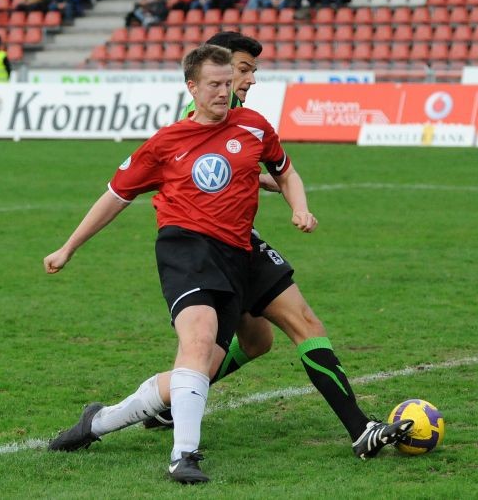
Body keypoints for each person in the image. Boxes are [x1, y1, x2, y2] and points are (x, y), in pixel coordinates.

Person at [47, 39, 414, 480]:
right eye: (220, 82)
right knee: (200, 347)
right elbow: (116, 196)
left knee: (292, 328)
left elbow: (284, 170)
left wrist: (298, 206)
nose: (230, 89)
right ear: (192, 88)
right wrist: (69, 246)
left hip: (243, 246)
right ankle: (180, 453)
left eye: (232, 81)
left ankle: (360, 431)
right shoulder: (167, 141)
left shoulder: (254, 126)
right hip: (190, 248)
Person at [142, 31, 415, 458]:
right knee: (254, 338)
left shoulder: (246, 120)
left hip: (239, 243)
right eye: (244, 70)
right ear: (218, 69)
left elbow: (261, 168)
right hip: (209, 248)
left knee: (265, 338)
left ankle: (359, 429)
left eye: (253, 71)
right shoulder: (199, 118)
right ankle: (164, 406)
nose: (250, 80)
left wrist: (289, 199)